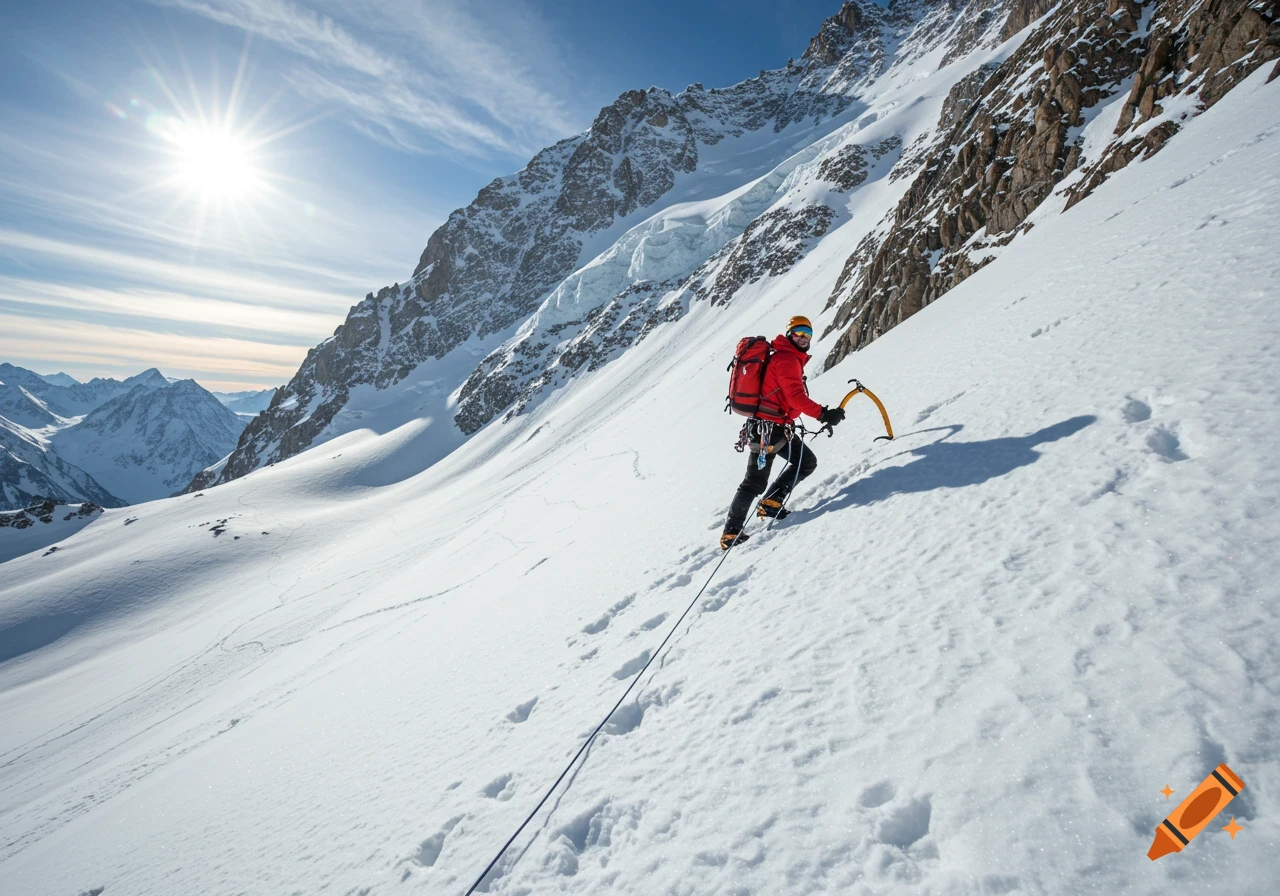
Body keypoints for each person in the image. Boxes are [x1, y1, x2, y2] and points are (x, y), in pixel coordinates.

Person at [721, 315, 845, 550]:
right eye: (798, 333)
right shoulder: (787, 360)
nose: (803, 338)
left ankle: (771, 502)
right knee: (754, 483)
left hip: (774, 428)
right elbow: (795, 398)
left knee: (805, 462)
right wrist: (823, 414)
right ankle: (731, 532)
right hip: (770, 431)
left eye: (807, 334)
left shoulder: (787, 357)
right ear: (789, 334)